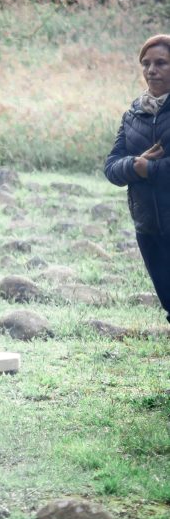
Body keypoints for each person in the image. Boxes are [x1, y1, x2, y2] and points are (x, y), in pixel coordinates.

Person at [104, 34, 170, 322]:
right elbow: (111, 166)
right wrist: (134, 165)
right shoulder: (133, 114)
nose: (151, 70)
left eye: (161, 63)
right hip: (148, 227)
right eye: (146, 64)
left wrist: (150, 170)